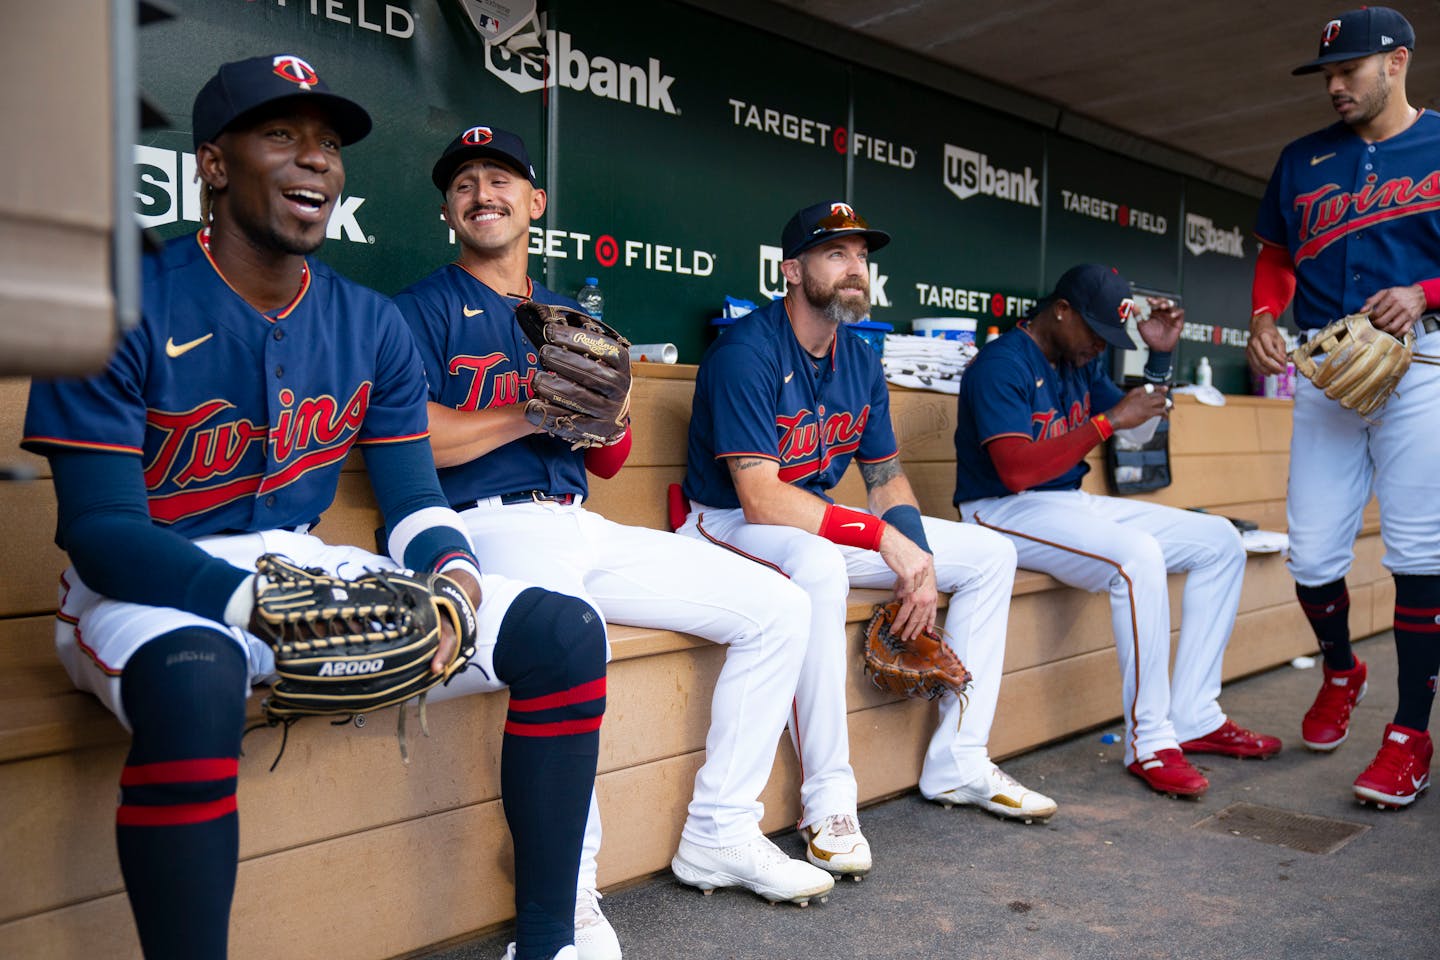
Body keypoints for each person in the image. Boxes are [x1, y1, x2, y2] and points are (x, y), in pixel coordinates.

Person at [21, 56, 605, 960]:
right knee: (193, 675)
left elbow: (412, 499)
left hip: (299, 558)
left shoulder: (371, 323)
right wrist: (256, 609)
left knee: (564, 634)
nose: (316, 162)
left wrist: (452, 581)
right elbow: (100, 534)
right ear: (214, 165)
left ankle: (548, 943)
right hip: (149, 575)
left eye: (328, 144)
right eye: (282, 136)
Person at [393, 127, 836, 948]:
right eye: (463, 183)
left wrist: (609, 410)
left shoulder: (568, 315)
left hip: (576, 519)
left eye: (500, 179)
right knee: (574, 641)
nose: (481, 192)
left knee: (779, 607)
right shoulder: (417, 309)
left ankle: (721, 832)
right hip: (483, 528)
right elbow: (411, 440)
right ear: (448, 210)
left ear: (536, 203)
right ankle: (571, 894)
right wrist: (531, 410)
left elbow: (608, 461)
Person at [679, 201, 1056, 834]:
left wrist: (917, 560)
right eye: (836, 254)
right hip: (724, 523)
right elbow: (761, 500)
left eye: (861, 256)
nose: (856, 268)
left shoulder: (857, 358)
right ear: (792, 271)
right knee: (821, 566)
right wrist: (886, 541)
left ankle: (960, 761)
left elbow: (884, 477)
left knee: (993, 556)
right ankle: (828, 797)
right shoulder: (747, 350)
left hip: (812, 517)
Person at [953, 264, 1284, 799]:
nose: (1098, 347)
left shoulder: (1077, 358)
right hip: (999, 509)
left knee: (1220, 540)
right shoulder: (1002, 363)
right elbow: (1016, 471)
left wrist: (1158, 358)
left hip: (1066, 502)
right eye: (1095, 333)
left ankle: (1195, 714)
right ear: (1061, 311)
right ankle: (1151, 742)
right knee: (1137, 556)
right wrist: (1106, 424)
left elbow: (1143, 422)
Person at [1247, 6, 1439, 808]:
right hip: (1328, 366)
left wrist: (1427, 291)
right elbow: (1276, 256)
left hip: (1424, 362)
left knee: (1419, 551)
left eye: (1349, 71)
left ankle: (1410, 734)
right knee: (1313, 555)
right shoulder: (1302, 159)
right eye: (1327, 73)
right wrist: (1263, 315)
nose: (1334, 84)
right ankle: (1340, 667)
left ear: (1395, 63)